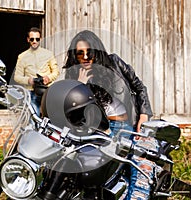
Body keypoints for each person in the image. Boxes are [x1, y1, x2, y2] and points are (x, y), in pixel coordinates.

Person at [63, 30, 157, 200]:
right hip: (96, 131)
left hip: (124, 125)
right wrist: (80, 86)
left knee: (138, 166)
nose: (85, 57)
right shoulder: (74, 76)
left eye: (89, 52)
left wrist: (144, 113)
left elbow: (139, 87)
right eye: (80, 53)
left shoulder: (114, 62)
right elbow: (73, 111)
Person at [14, 27, 60, 116]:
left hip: (47, 91)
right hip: (31, 93)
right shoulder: (22, 56)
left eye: (37, 39)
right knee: (34, 121)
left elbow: (56, 72)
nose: (34, 41)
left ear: (40, 39)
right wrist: (29, 80)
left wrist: (48, 78)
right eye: (32, 39)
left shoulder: (48, 54)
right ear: (28, 40)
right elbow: (17, 77)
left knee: (50, 119)